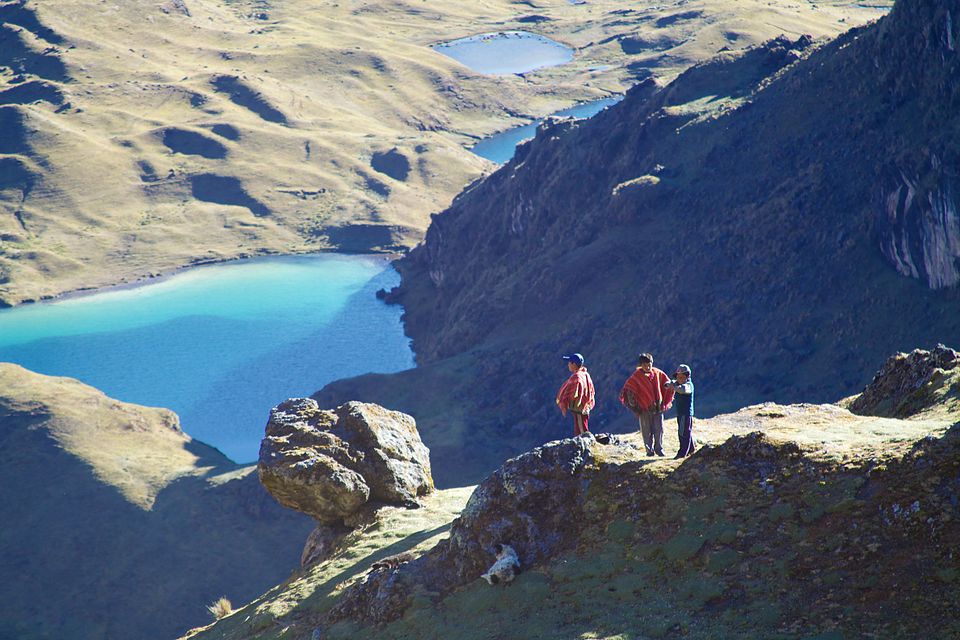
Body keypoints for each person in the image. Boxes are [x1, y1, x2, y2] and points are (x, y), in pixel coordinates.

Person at [619, 353, 674, 456]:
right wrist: (635, 407)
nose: (648, 367)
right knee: (646, 431)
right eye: (645, 365)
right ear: (641, 365)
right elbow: (629, 391)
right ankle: (649, 450)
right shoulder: (636, 377)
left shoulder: (658, 373)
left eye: (649, 364)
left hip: (658, 408)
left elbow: (667, 383)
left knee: (659, 428)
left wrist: (668, 388)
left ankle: (659, 448)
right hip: (644, 409)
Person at [555, 353, 595, 437]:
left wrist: (564, 404)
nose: (568, 365)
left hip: (579, 407)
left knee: (581, 430)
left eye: (569, 362)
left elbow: (570, 392)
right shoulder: (585, 374)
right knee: (580, 426)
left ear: (574, 364)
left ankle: (586, 443)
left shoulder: (577, 377)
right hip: (585, 405)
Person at [665, 364, 695, 458]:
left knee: (683, 433)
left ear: (687, 376)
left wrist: (673, 387)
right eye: (678, 377)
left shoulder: (688, 385)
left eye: (682, 377)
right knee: (685, 431)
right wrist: (670, 383)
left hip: (685, 413)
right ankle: (690, 449)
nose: (679, 379)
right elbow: (672, 383)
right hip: (681, 413)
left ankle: (682, 453)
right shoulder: (679, 383)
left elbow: (683, 390)